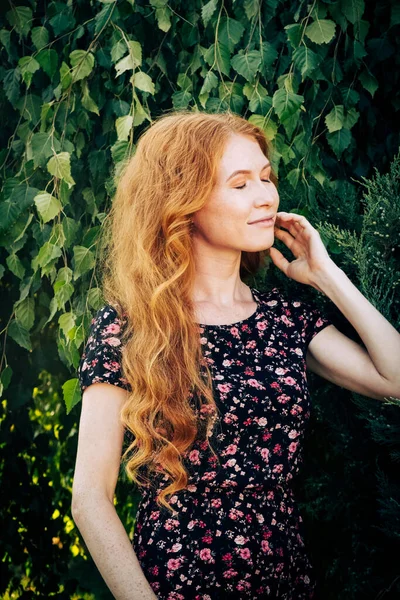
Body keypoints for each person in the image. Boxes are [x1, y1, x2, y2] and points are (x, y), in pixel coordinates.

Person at [71, 109, 400, 600]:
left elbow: (394, 379)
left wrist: (326, 274)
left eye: (266, 178)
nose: (266, 196)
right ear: (184, 203)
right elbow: (89, 499)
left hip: (284, 579)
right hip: (177, 583)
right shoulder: (132, 325)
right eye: (241, 184)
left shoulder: (284, 319)